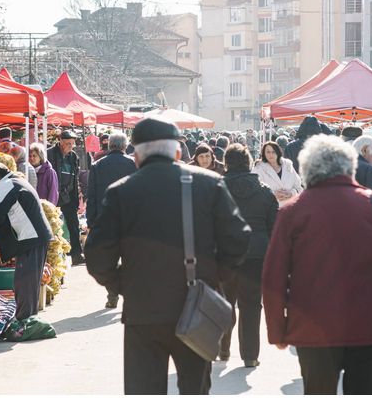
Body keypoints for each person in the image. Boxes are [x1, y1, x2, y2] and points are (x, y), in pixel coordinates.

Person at [85, 117, 251, 395]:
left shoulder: (122, 191)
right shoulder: (208, 184)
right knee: (194, 390)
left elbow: (97, 254)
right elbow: (238, 238)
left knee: (144, 390)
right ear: (177, 152)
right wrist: (213, 277)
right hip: (196, 304)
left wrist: (121, 285)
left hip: (142, 312)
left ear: (136, 156)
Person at [262, 135, 372, 395]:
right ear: (350, 167)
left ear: (306, 170)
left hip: (312, 328)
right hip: (371, 325)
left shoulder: (293, 212)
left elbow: (273, 275)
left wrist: (277, 330)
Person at [219, 144, 278, 368]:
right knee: (251, 305)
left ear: (226, 163)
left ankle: (223, 349)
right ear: (249, 161)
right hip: (256, 253)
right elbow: (274, 229)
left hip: (225, 254)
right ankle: (250, 355)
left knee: (224, 302)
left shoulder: (217, 188)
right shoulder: (264, 191)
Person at [0, 163, 53, 321]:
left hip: (31, 237)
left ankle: (24, 320)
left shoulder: (4, 185)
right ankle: (27, 317)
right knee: (27, 280)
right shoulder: (16, 180)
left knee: (24, 281)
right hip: (35, 235)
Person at [86, 131, 137, 309]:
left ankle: (112, 294)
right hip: (130, 218)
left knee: (111, 258)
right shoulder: (133, 164)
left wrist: (90, 219)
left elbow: (90, 195)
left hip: (105, 217)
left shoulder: (98, 165)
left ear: (109, 145)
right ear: (124, 146)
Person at [47, 129, 83, 265]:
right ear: (60, 141)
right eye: (67, 143)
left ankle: (77, 254)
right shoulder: (50, 154)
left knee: (74, 224)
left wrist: (78, 193)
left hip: (69, 195)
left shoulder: (73, 156)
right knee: (54, 225)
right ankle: (55, 257)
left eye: (72, 143)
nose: (70, 146)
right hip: (54, 194)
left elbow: (76, 176)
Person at [252, 141, 303, 205]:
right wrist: (272, 195)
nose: (271, 155)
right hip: (269, 209)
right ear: (264, 153)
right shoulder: (258, 168)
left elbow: (298, 187)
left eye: (273, 152)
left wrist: (291, 193)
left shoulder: (288, 165)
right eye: (268, 152)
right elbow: (254, 191)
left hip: (290, 208)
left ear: (278, 152)